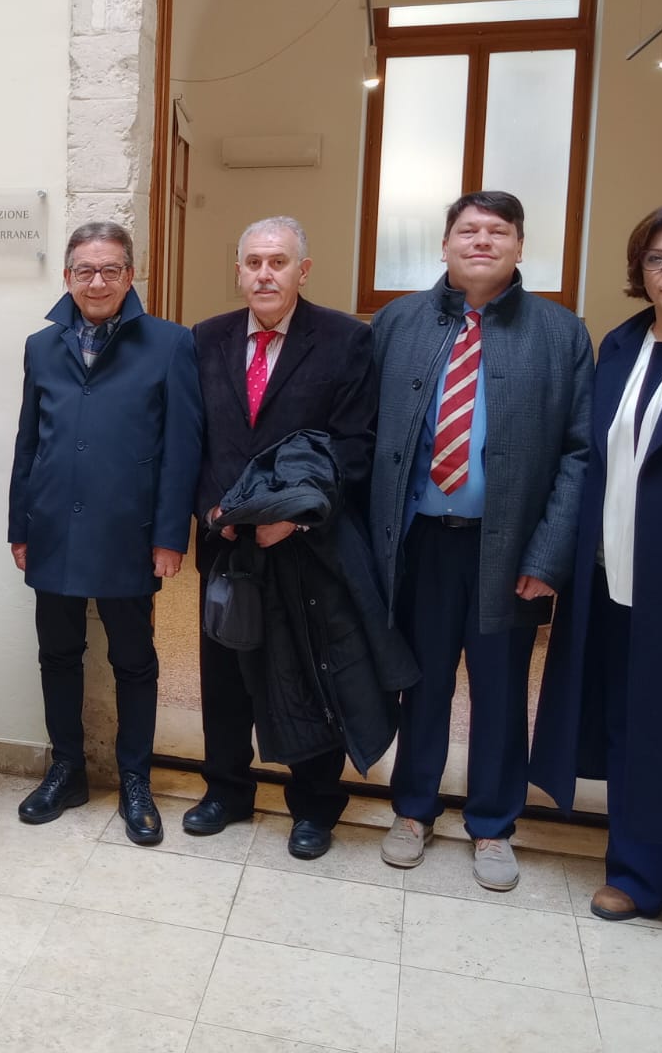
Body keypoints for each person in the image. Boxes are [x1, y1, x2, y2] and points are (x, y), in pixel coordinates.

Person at [533, 200, 662, 983]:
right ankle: (638, 875)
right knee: (630, 728)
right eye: (657, 258)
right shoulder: (621, 346)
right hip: (616, 581)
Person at [370, 190, 591, 891]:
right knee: (422, 682)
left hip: (511, 551)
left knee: (500, 691)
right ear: (445, 245)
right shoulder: (397, 322)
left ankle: (493, 824)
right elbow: (364, 435)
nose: (483, 241)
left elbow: (580, 454)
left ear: (520, 246)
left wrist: (548, 556)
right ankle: (413, 810)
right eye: (468, 230)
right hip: (421, 543)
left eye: (499, 231)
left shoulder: (561, 334)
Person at [188, 216, 383, 860]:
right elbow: (194, 439)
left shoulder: (346, 340)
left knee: (305, 671)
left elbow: (354, 446)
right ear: (238, 272)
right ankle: (226, 791)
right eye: (253, 263)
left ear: (304, 270)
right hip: (226, 540)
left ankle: (315, 805)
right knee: (223, 672)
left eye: (278, 262)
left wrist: (295, 516)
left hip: (302, 543)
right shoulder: (206, 338)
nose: (265, 274)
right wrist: (212, 511)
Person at [7, 220, 201, 845]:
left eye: (110, 269)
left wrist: (170, 535)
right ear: (68, 276)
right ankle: (66, 770)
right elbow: (29, 441)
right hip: (53, 528)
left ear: (130, 274)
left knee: (134, 661)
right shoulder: (42, 346)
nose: (97, 282)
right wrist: (19, 524)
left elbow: (181, 450)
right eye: (85, 270)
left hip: (129, 533)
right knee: (58, 655)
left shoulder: (171, 343)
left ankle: (135, 780)